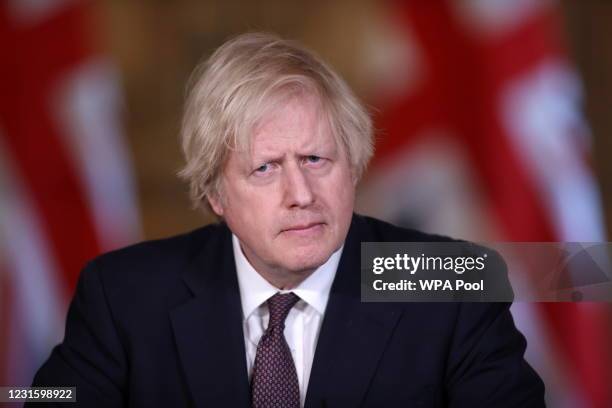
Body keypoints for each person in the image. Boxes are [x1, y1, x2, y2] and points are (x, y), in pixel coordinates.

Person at [31, 32, 545, 407]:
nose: (300, 194)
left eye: (317, 160)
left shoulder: (449, 284)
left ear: (355, 165)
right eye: (265, 168)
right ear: (215, 193)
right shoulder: (126, 294)